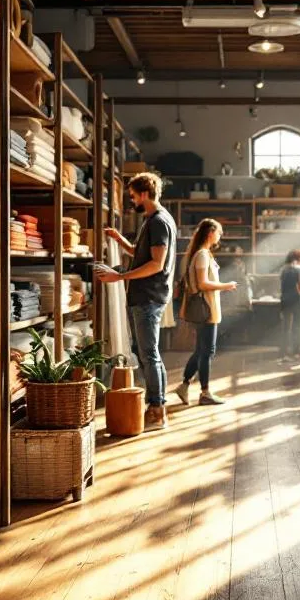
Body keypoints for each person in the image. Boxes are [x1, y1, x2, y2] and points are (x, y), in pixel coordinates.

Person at [98, 172, 176, 430]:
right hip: (146, 296)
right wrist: (121, 241)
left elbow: (156, 264)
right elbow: (143, 255)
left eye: (132, 196)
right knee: (148, 356)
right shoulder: (154, 220)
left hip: (148, 297)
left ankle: (157, 411)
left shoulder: (157, 222)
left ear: (144, 194)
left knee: (149, 356)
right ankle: (157, 406)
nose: (131, 200)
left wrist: (119, 276)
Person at [175, 218, 238, 405]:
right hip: (206, 309)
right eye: (218, 232)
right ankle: (205, 393)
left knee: (201, 350)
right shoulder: (202, 255)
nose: (219, 236)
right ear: (210, 232)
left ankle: (184, 385)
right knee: (207, 351)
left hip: (207, 308)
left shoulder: (202, 254)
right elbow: (202, 283)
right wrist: (226, 286)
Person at [277, 249, 300, 362]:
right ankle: (296, 352)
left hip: (285, 299)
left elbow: (281, 285)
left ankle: (284, 352)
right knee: (297, 326)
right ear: (297, 259)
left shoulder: (283, 269)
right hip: (295, 299)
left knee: (285, 326)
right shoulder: (299, 269)